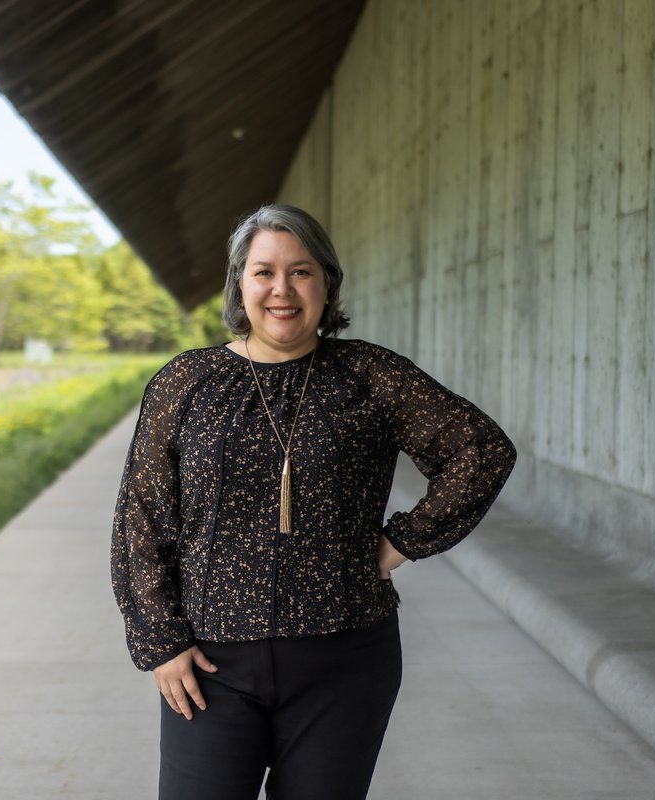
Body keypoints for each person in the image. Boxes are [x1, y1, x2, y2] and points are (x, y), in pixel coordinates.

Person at [111, 204, 517, 800]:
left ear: (327, 283)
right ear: (240, 285)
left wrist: (401, 542)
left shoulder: (369, 374)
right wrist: (161, 642)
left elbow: (480, 450)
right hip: (211, 664)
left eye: (300, 271)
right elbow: (141, 517)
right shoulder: (187, 382)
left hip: (346, 662)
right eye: (264, 272)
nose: (282, 289)